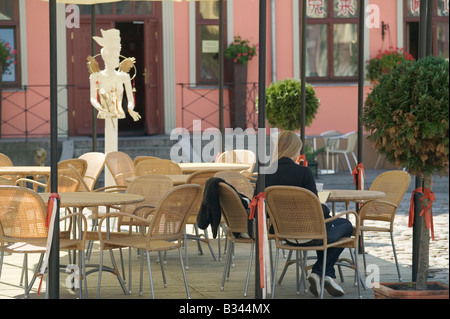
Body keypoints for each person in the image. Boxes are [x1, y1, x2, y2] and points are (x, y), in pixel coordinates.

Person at [264, 130, 353, 297]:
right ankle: (321, 272)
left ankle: (325, 274)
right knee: (347, 225)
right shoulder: (303, 173)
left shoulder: (265, 174)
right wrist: (324, 207)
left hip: (283, 234)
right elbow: (316, 210)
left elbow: (262, 210)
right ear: (294, 149)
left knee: (330, 225)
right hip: (311, 234)